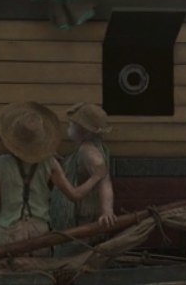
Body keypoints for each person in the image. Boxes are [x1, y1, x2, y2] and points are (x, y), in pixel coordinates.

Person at [0, 102, 106, 255]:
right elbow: (75, 195)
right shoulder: (49, 163)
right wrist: (96, 177)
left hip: (8, 233)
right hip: (39, 235)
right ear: (40, 139)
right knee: (40, 276)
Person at [51, 103, 116, 257]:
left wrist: (107, 210)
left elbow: (104, 181)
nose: (69, 127)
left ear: (83, 130)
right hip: (82, 216)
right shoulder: (89, 148)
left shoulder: (89, 152)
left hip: (82, 220)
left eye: (72, 124)